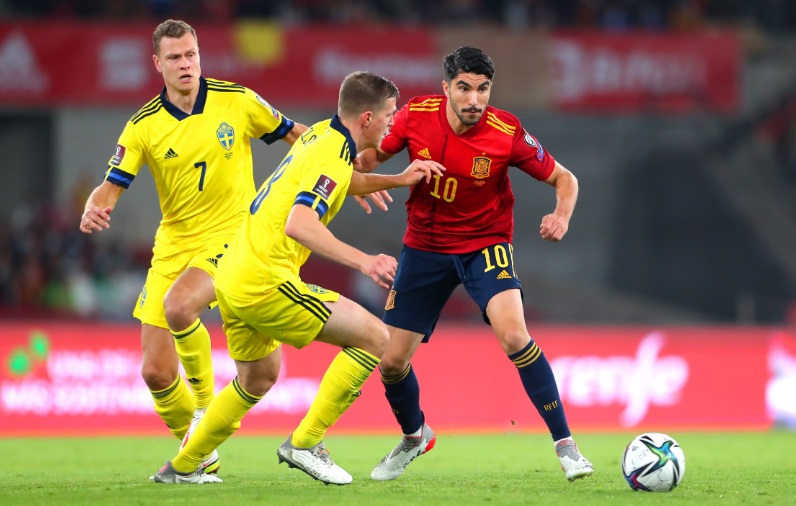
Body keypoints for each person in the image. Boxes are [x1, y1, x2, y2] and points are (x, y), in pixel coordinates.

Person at [150, 70, 445, 485]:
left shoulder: (322, 134)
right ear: (367, 118)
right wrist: (363, 261)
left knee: (257, 378)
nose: (393, 123)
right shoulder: (331, 155)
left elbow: (342, 178)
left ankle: (181, 467)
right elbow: (300, 222)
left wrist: (397, 179)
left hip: (232, 275)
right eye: (389, 114)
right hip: (265, 280)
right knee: (377, 338)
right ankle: (306, 443)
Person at [79, 19, 307, 476]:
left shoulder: (237, 100)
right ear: (157, 63)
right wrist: (94, 206)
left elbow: (295, 134)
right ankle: (202, 454)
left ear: (199, 55)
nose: (186, 64)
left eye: (191, 54)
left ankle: (205, 408)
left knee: (180, 304)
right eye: (175, 57)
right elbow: (111, 185)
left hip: (232, 236)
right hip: (174, 246)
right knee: (155, 372)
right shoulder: (143, 125)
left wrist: (344, 161)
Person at [357, 46, 594, 482]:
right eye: (464, 88)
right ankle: (414, 436)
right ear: (446, 88)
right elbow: (368, 158)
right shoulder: (415, 115)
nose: (474, 100)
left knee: (515, 336)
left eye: (483, 89)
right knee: (390, 362)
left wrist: (561, 215)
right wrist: (361, 179)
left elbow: (565, 178)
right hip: (424, 247)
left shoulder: (506, 131)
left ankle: (566, 446)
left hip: (485, 244)